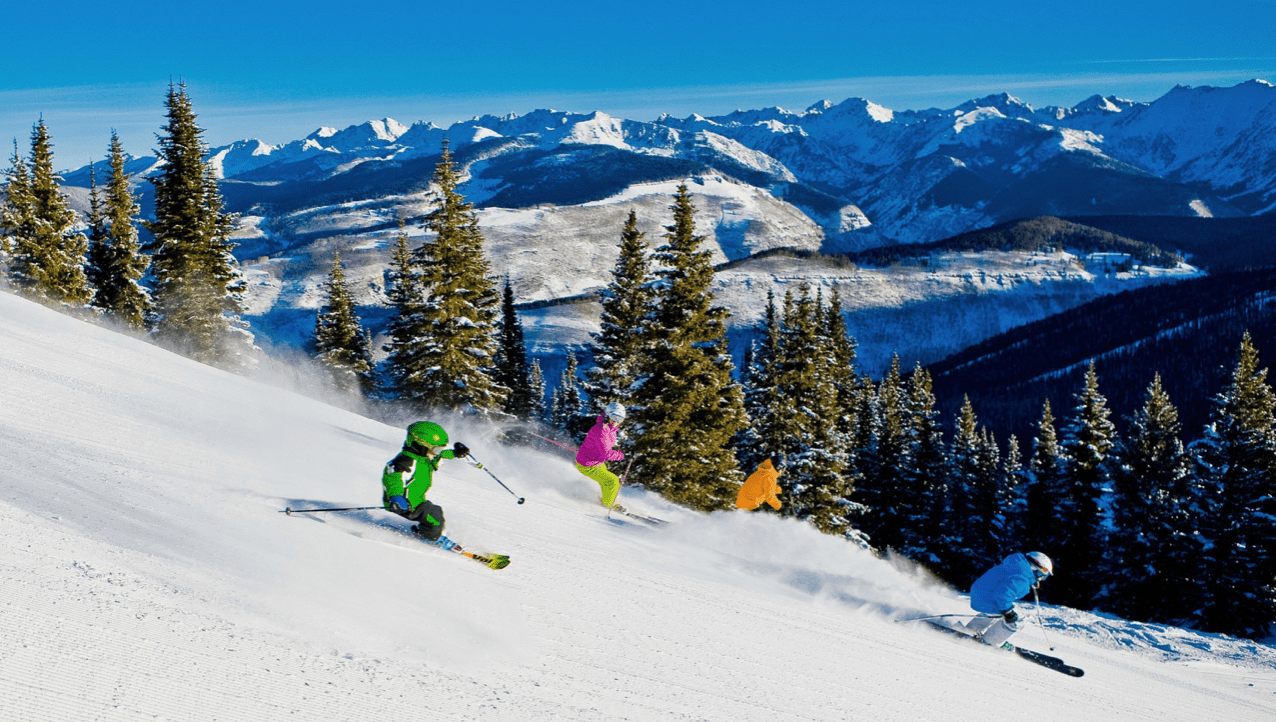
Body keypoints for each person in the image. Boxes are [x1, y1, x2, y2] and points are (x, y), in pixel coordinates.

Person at [382, 421, 470, 544]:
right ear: (420, 444)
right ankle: (431, 540)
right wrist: (396, 497)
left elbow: (441, 455)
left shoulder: (423, 459)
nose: (436, 452)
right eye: (435, 449)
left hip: (417, 500)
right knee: (435, 519)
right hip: (403, 504)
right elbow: (393, 479)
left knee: (436, 512)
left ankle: (424, 532)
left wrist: (456, 453)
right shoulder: (404, 462)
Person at [964, 551, 1053, 648]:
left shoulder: (1016, 566)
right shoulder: (1022, 577)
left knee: (996, 612)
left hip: (981, 594)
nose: (1041, 578)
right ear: (1035, 567)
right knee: (1018, 619)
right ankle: (990, 641)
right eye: (1043, 573)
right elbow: (1003, 594)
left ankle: (970, 630)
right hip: (989, 598)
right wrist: (1007, 612)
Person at [576, 402, 627, 511]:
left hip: (596, 461)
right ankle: (609, 505)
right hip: (587, 464)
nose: (616, 421)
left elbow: (604, 446)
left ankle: (608, 499)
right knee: (612, 481)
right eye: (614, 417)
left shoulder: (610, 428)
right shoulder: (602, 430)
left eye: (620, 419)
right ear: (608, 415)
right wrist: (620, 455)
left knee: (607, 480)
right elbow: (606, 453)